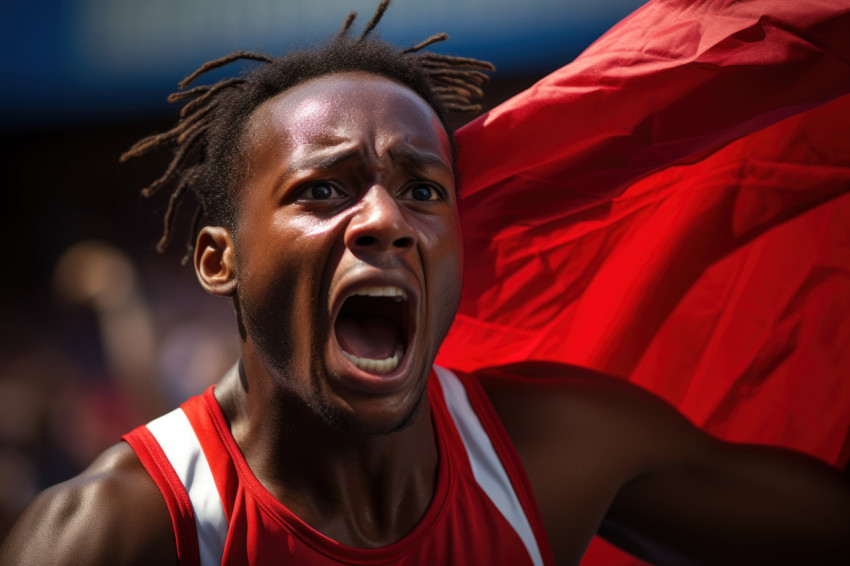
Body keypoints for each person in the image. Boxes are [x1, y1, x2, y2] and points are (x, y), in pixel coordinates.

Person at [2, 1, 849, 565]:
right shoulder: (119, 531)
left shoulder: (556, 451)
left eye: (422, 190)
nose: (385, 220)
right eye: (323, 189)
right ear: (219, 260)